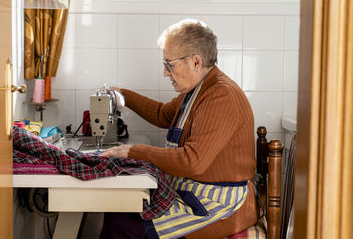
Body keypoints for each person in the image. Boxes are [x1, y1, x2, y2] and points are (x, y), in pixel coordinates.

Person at [101, 19, 258, 238]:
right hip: (195, 194)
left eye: (169, 64)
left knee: (122, 224)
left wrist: (133, 151)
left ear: (196, 62)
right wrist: (122, 94)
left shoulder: (221, 95)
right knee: (117, 213)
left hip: (219, 206)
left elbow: (192, 161)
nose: (165, 73)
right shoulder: (197, 90)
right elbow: (162, 115)